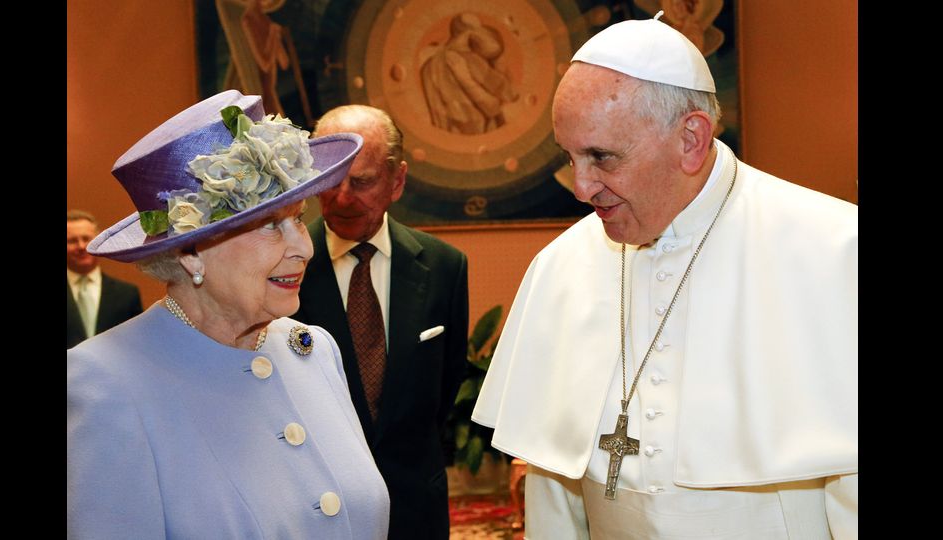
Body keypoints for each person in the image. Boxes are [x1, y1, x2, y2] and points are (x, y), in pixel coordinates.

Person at [472, 12, 857, 539]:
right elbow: (553, 483)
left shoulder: (832, 250)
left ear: (691, 140)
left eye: (602, 157)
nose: (580, 187)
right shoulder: (562, 266)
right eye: (569, 156)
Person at [67, 90, 390, 538]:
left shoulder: (314, 350)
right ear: (191, 252)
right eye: (268, 226)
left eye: (298, 218)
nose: (304, 247)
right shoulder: (104, 381)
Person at [292, 104, 469, 540]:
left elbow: (444, 388)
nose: (342, 197)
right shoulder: (284, 267)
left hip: (415, 507)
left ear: (398, 180)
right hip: (312, 506)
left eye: (363, 182)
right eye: (330, 180)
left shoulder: (445, 267)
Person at [67, 210, 144, 348]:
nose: (81, 246)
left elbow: (136, 344)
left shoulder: (127, 294)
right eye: (72, 241)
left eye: (86, 239)